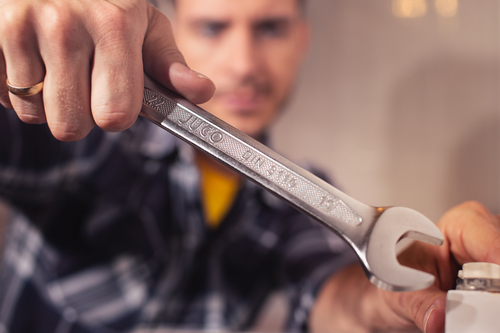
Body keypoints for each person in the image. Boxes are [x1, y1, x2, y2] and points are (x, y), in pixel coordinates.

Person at [0, 0, 499, 332]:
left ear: (302, 40)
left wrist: (405, 294)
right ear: (172, 31)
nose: (244, 63)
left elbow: (334, 292)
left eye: (270, 28)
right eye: (213, 27)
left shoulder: (309, 200)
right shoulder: (83, 135)